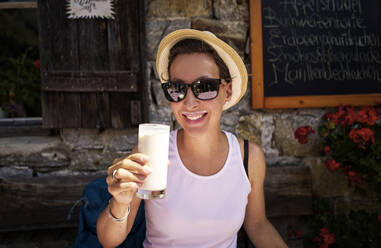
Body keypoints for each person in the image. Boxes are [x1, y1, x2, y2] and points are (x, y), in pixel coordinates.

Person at [97, 29, 287, 248]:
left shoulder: (249, 157)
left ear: (227, 91)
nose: (189, 103)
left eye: (204, 87)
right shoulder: (151, 152)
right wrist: (120, 203)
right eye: (177, 88)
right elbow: (109, 241)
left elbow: (258, 225)